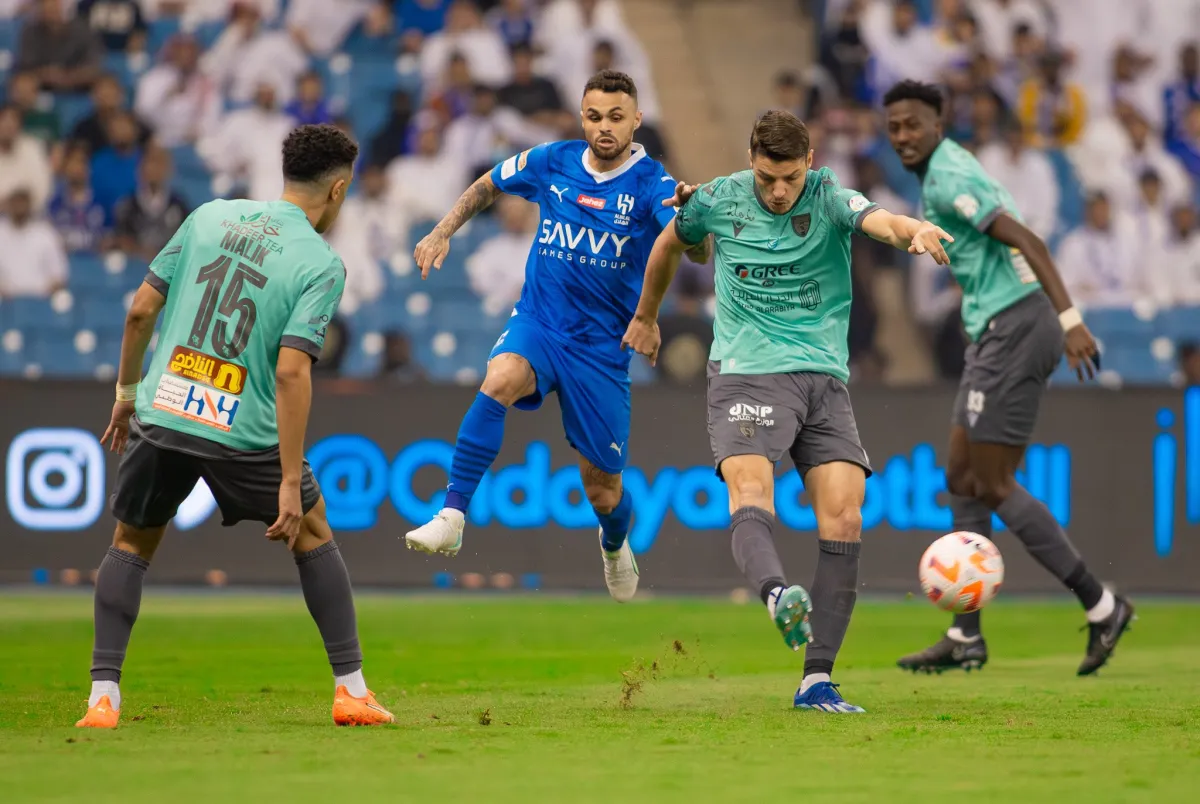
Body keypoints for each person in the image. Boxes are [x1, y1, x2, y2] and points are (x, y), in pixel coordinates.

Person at [622, 109, 953, 714]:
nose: (779, 192)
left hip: (824, 379)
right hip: (748, 369)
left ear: (809, 167)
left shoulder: (828, 196)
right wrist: (646, 315)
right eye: (769, 178)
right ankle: (777, 595)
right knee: (751, 489)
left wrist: (914, 230)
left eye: (790, 179)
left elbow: (878, 220)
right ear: (753, 160)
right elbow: (675, 240)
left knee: (846, 517)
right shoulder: (719, 198)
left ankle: (815, 681)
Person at [76, 124, 394, 729]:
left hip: (164, 408)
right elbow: (293, 374)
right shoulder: (321, 264)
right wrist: (287, 478)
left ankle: (102, 699)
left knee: (130, 543)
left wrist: (126, 393)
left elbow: (140, 308)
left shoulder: (208, 216)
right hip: (240, 426)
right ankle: (350, 692)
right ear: (339, 191)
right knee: (314, 531)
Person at [405, 70, 705, 603]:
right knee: (500, 378)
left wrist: (692, 220)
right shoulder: (553, 161)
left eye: (617, 117)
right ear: (581, 116)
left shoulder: (653, 183)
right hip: (540, 324)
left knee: (603, 489)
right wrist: (441, 230)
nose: (604, 127)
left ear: (636, 120)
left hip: (601, 351)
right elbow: (489, 184)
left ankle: (615, 544)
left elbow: (692, 250)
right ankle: (452, 513)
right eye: (594, 116)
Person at [882, 80, 1134, 677]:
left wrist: (1070, 320)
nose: (903, 136)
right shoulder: (945, 170)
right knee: (961, 474)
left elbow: (1026, 237)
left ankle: (1102, 606)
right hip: (996, 329)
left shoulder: (949, 177)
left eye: (913, 124)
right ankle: (964, 635)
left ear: (938, 123)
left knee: (992, 481)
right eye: (893, 127)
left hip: (1019, 324)